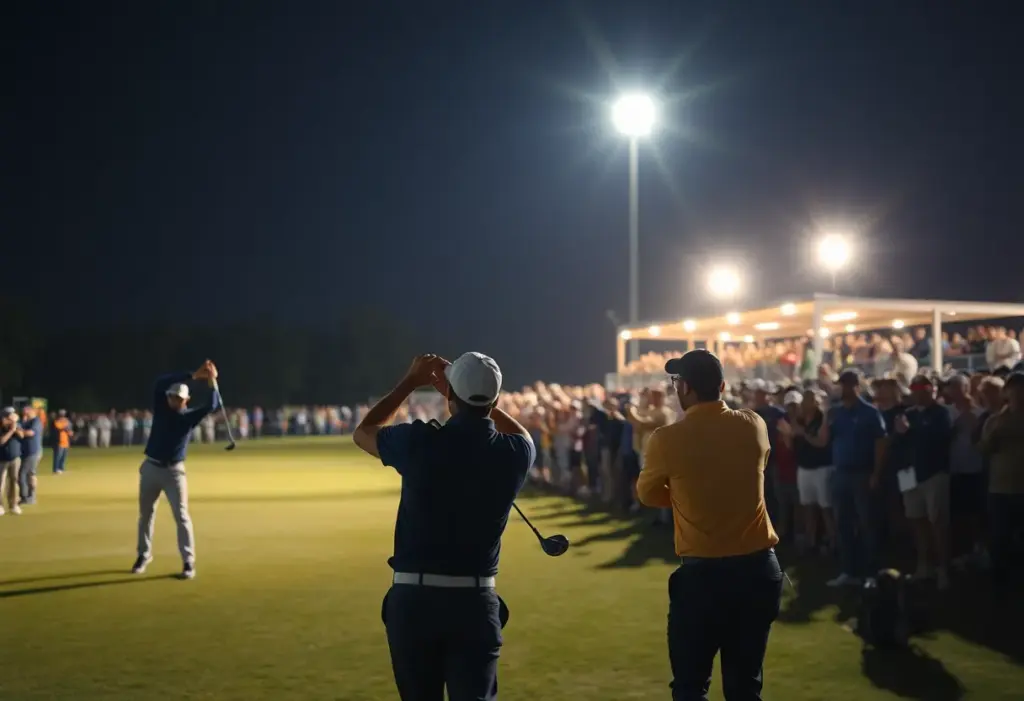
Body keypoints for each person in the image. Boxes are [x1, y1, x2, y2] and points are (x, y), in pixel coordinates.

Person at [352, 352, 534, 701]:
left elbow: (363, 433)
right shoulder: (514, 453)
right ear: (496, 399)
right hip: (475, 602)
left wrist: (409, 383)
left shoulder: (419, 441)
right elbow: (524, 435)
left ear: (450, 397)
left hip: (415, 601)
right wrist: (480, 401)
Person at [637, 350, 782, 701]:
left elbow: (648, 494)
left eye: (676, 383)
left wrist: (688, 496)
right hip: (758, 570)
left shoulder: (666, 438)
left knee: (690, 687)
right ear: (722, 386)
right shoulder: (754, 424)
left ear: (684, 388)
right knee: (745, 687)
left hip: (704, 579)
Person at [131, 360, 221, 580]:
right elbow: (160, 382)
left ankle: (188, 562)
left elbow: (212, 405)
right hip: (151, 467)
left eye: (179, 399)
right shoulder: (161, 407)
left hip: (174, 473)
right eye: (172, 396)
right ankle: (143, 555)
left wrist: (212, 381)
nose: (174, 401)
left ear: (186, 401)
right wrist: (193, 375)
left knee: (181, 517)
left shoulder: (188, 417)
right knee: (145, 516)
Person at [807, 370, 887, 587]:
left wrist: (876, 473)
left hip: (862, 473)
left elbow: (881, 443)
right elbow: (823, 441)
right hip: (841, 473)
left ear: (855, 386)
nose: (842, 389)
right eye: (840, 385)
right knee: (843, 524)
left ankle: (871, 572)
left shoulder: (870, 412)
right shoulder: (836, 413)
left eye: (846, 385)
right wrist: (825, 415)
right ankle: (849, 571)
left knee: (867, 524)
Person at [892, 375, 953, 590]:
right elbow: (897, 442)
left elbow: (941, 438)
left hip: (934, 474)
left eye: (923, 389)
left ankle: (942, 568)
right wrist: (900, 433)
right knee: (917, 522)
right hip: (911, 476)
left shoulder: (941, 413)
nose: (918, 393)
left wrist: (911, 431)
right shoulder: (907, 414)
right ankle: (924, 566)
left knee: (938, 524)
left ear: (931, 390)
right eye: (915, 389)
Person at [979, 372, 1024, 597]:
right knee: (999, 540)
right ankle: (1000, 586)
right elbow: (984, 451)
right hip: (1000, 489)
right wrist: (996, 434)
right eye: (1014, 389)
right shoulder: (995, 421)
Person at [18, 405, 43, 506]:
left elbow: (30, 433)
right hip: (25, 451)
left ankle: (27, 497)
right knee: (29, 474)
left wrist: (20, 432)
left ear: (31, 411)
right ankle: (30, 496)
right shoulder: (25, 421)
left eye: (26, 411)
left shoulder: (36, 421)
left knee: (23, 474)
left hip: (33, 452)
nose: (24, 412)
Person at [1, 407, 23, 515]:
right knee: (1, 483)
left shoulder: (17, 425)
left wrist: (15, 427)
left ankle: (14, 505)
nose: (12, 417)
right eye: (10, 416)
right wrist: (11, 431)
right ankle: (0, 506)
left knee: (14, 482)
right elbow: (2, 441)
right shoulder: (1, 426)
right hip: (2, 459)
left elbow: (22, 436)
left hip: (15, 458)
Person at [52, 409, 74, 474]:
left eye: (63, 414)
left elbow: (70, 430)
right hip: (59, 442)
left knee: (63, 457)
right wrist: (67, 428)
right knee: (57, 456)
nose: (62, 415)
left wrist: (70, 432)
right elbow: (60, 428)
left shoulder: (67, 421)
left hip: (66, 442)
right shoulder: (57, 421)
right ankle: (55, 469)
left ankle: (61, 468)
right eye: (61, 414)